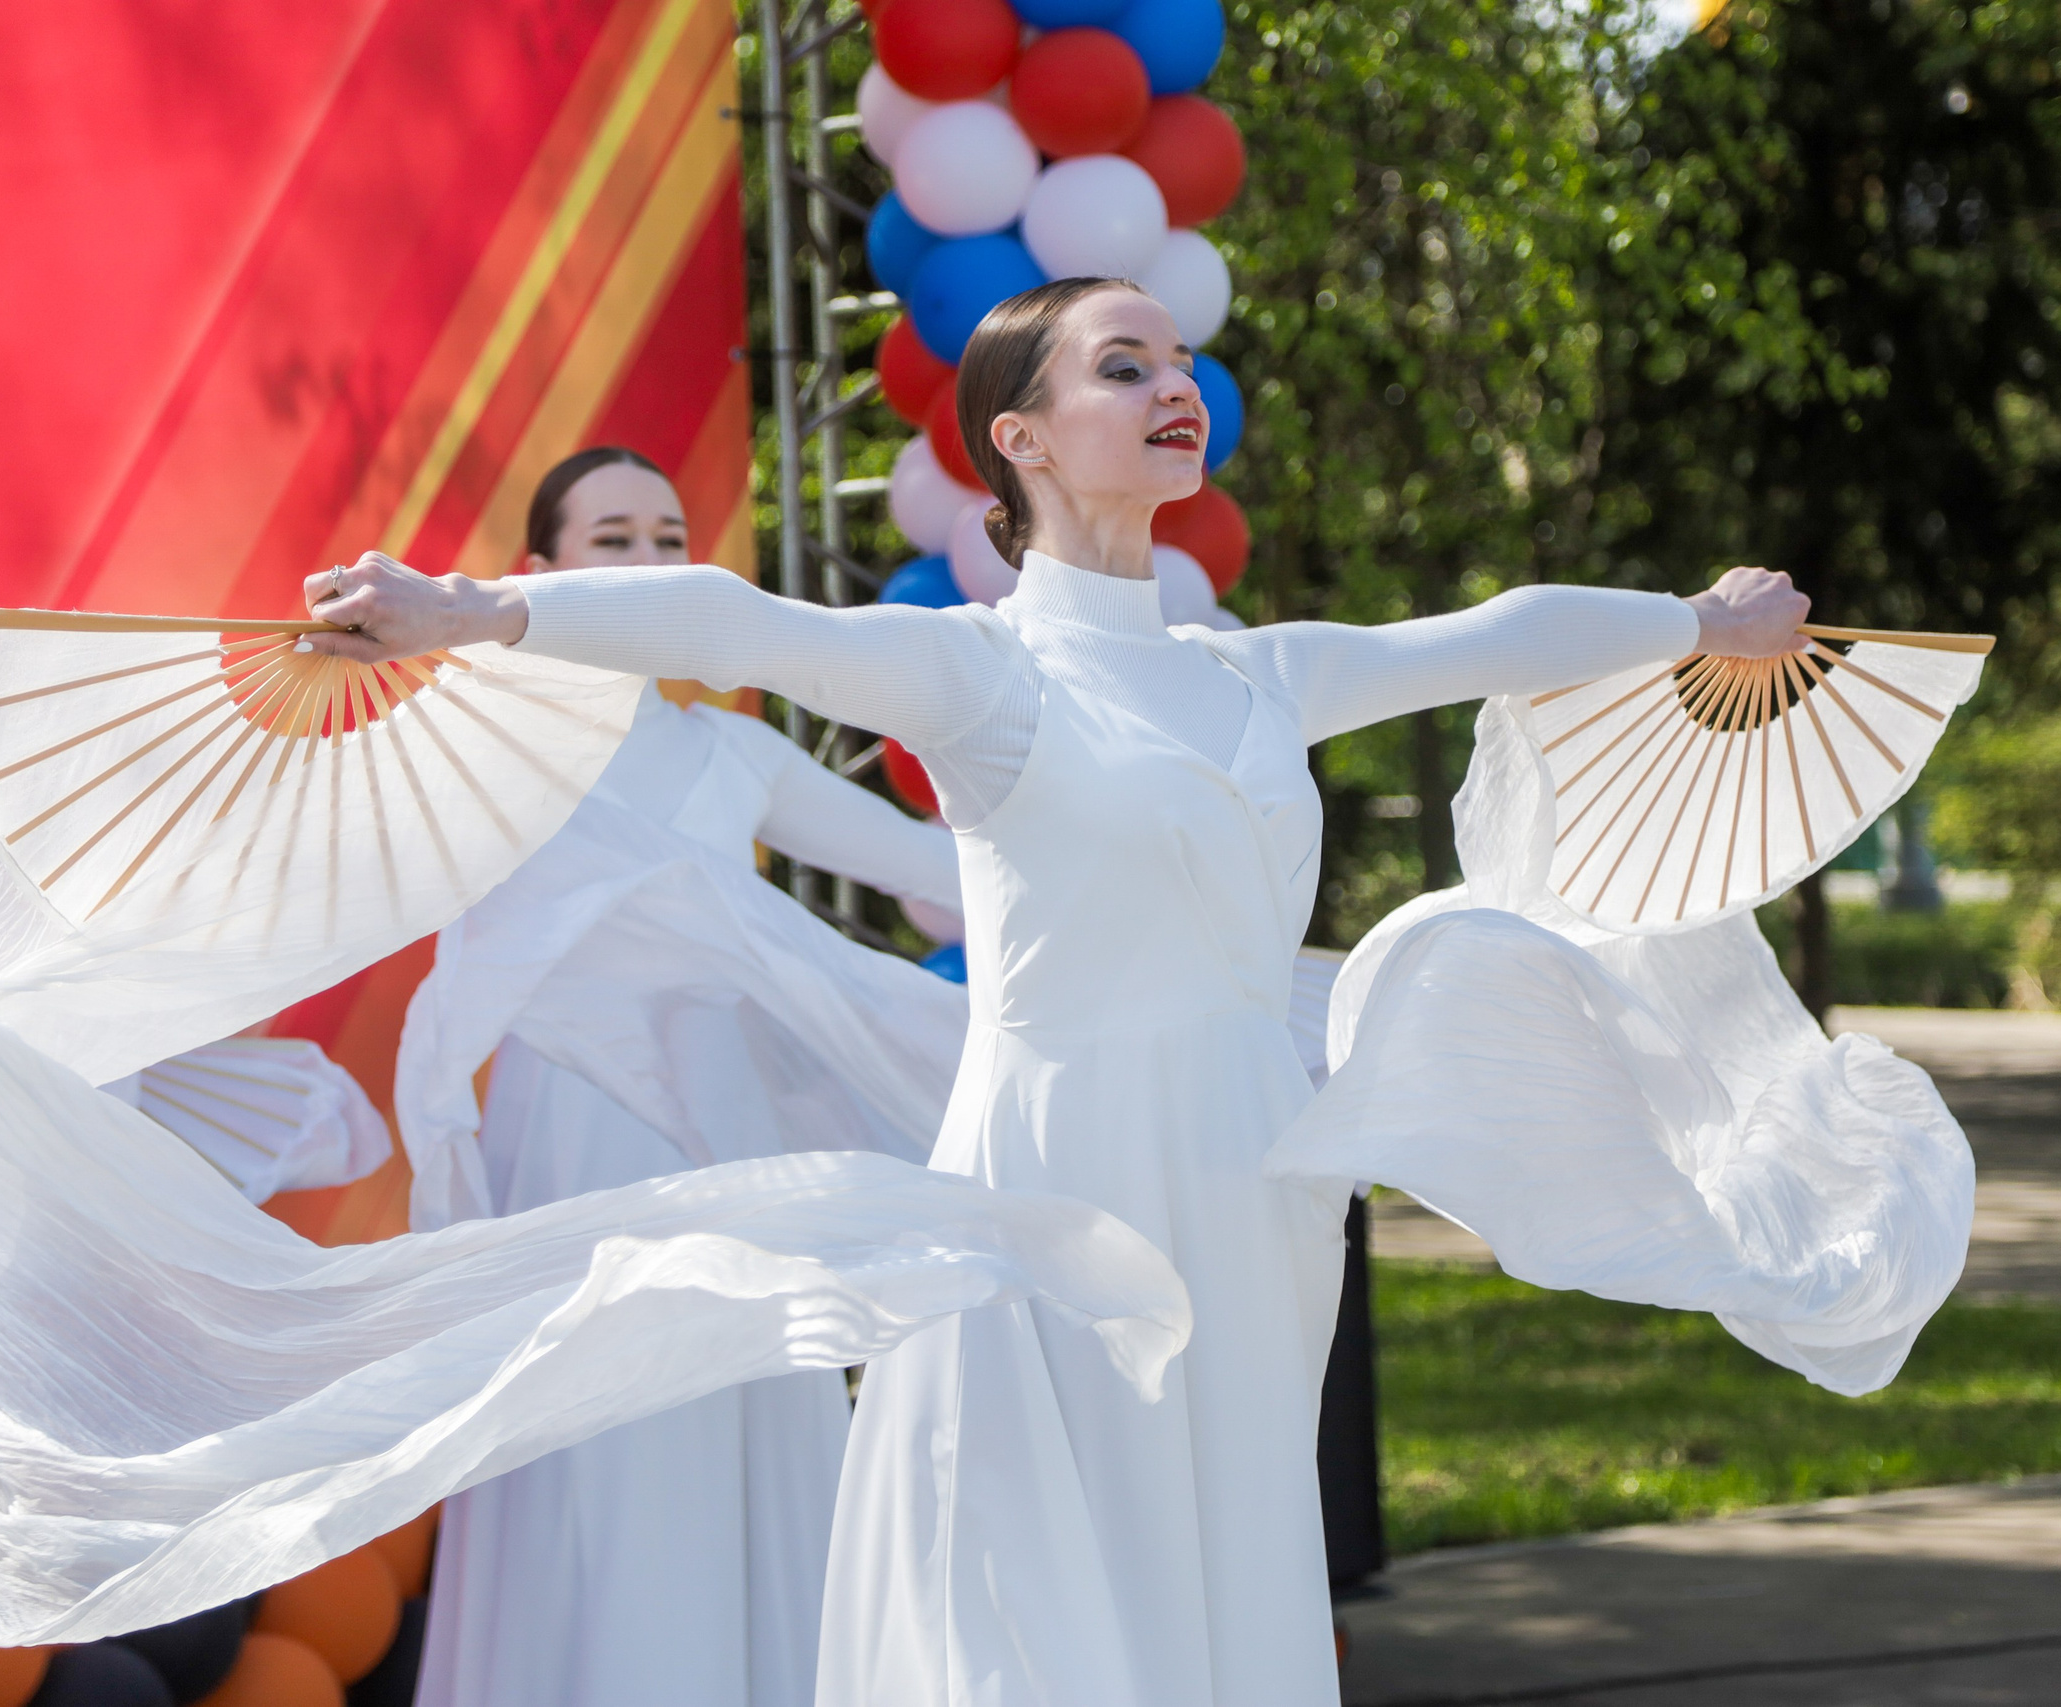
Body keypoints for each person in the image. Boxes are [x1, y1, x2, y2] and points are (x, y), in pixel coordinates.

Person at [296, 277, 1962, 1707]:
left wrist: (1693, 617)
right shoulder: (978, 665)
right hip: (1054, 1179)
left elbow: (1488, 631)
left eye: (1179, 365)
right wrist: (478, 611)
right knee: (1041, 1564)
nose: (1175, 389)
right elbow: (740, 612)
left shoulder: (1263, 669)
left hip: (1255, 1177)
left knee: (1230, 1527)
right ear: (1015, 439)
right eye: (1122, 366)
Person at [401, 448, 967, 1707]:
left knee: (738, 1440)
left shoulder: (734, 755)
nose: (650, 563)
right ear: (539, 574)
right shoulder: (476, 748)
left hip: (730, 1153)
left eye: (669, 537)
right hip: (568, 1154)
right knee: (598, 1462)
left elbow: (932, 874)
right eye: (613, 540)